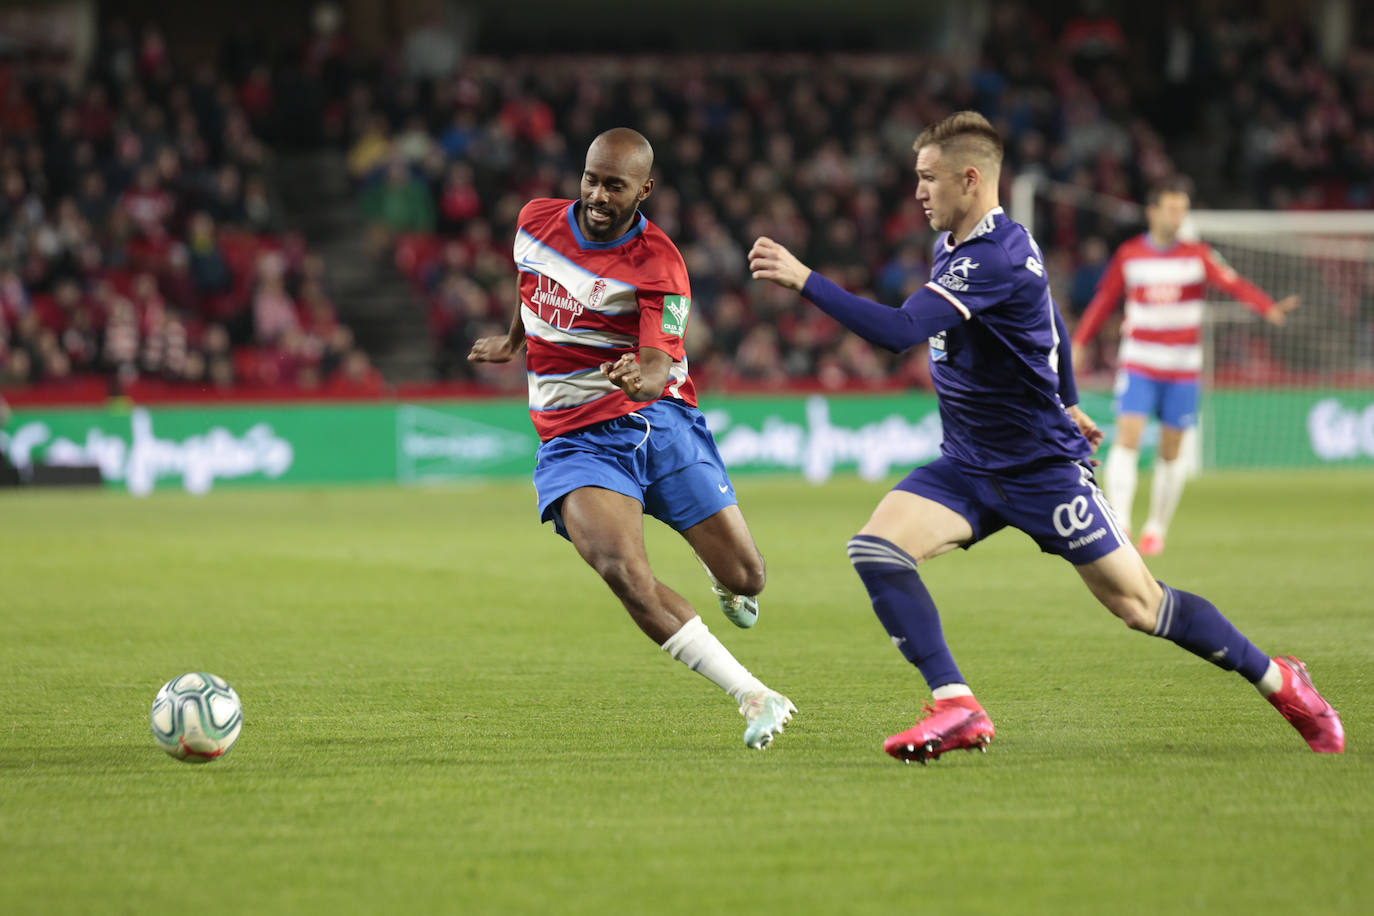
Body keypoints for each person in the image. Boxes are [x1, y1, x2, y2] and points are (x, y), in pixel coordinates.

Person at [747, 111, 1341, 762]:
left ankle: (1283, 682)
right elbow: (1053, 318)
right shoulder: (960, 243)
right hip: (970, 466)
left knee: (1142, 607)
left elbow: (896, 334)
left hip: (1041, 473)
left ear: (969, 179)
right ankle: (956, 705)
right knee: (877, 550)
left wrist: (804, 278)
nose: (917, 191)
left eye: (928, 178)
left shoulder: (992, 257)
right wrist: (1070, 399)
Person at [469, 128, 795, 749]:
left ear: (643, 190)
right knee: (621, 567)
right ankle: (753, 694)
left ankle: (719, 570)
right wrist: (515, 341)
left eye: (613, 186)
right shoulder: (535, 220)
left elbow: (657, 362)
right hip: (574, 441)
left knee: (749, 577)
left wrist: (640, 379)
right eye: (590, 178)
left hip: (658, 423)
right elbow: (530, 281)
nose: (596, 194)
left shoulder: (659, 263)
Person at [1070, 178, 1299, 555]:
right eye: (1172, 209)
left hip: (1182, 370)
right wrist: (1080, 341)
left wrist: (1266, 306)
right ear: (1153, 211)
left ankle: (1156, 528)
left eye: (1183, 210)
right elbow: (1104, 300)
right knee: (1127, 438)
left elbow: (1234, 284)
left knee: (1171, 450)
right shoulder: (1130, 254)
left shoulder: (1198, 254)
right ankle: (1121, 523)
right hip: (1140, 363)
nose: (1178, 217)